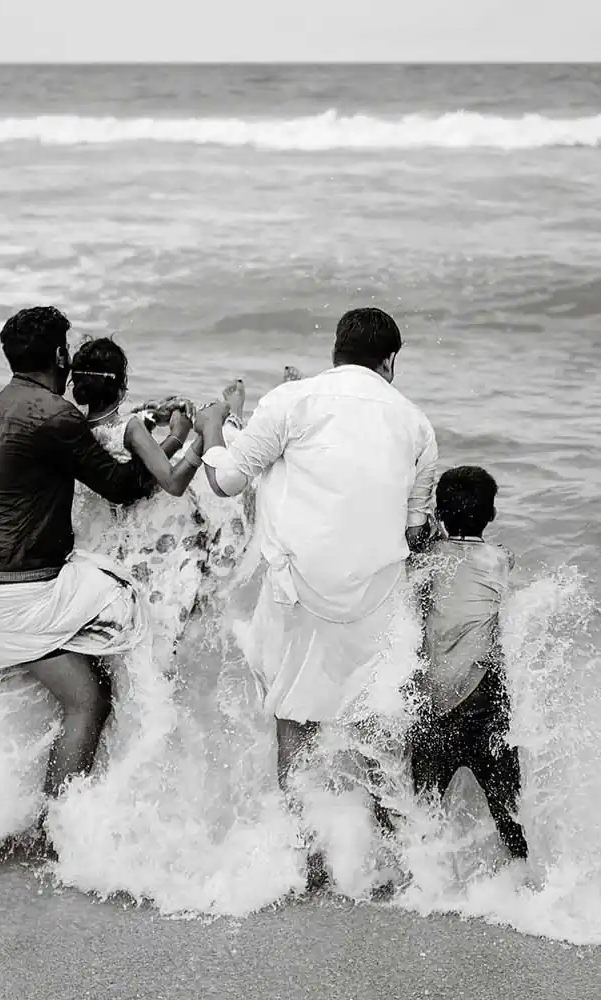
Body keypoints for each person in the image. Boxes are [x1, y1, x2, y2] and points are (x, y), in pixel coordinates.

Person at [196, 306, 438, 882]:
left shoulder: (291, 400)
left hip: (299, 591)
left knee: (293, 716)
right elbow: (415, 531)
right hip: (376, 596)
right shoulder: (416, 424)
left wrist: (212, 430)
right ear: (389, 362)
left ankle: (304, 859)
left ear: (335, 351)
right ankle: (399, 866)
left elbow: (226, 481)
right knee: (377, 721)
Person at [0, 306, 163, 829]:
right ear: (57, 355)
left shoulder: (2, 402)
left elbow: (69, 444)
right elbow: (123, 487)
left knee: (74, 695)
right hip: (25, 593)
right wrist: (167, 437)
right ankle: (62, 828)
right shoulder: (56, 416)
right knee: (126, 615)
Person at [67, 336, 248, 673]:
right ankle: (230, 418)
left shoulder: (76, 428)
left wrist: (153, 415)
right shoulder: (131, 428)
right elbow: (173, 483)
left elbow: (129, 455)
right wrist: (189, 436)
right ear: (122, 385)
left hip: (110, 541)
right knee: (218, 490)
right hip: (153, 532)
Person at [408, 466, 529, 862]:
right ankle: (522, 878)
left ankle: (416, 882)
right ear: (491, 514)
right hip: (485, 702)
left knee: (421, 816)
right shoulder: (500, 559)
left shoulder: (425, 560)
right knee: (510, 816)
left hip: (434, 704)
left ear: (440, 514)